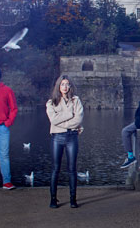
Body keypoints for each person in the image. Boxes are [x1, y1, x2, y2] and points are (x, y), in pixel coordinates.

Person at [46, 75, 84, 209]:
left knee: (72, 169)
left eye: (67, 84)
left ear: (70, 86)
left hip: (72, 137)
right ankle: (53, 199)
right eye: (62, 84)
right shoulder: (51, 102)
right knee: (55, 169)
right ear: (58, 86)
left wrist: (66, 122)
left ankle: (73, 199)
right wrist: (69, 116)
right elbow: (53, 120)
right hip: (57, 137)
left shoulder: (76, 100)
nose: (65, 87)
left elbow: (78, 120)